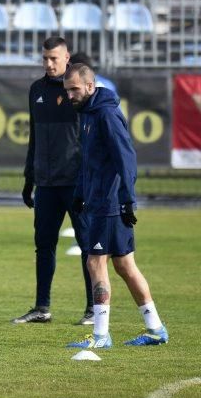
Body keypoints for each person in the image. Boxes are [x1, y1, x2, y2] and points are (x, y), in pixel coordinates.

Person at [64, 64, 168, 348]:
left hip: (109, 204)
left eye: (75, 89)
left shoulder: (106, 114)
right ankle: (156, 328)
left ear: (89, 86)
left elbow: (126, 158)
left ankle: (100, 336)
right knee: (124, 265)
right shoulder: (87, 114)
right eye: (67, 90)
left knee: (95, 262)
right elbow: (90, 162)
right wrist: (79, 192)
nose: (70, 95)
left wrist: (127, 199)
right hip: (100, 200)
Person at [15, 36, 94, 326]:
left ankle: (93, 309)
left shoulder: (80, 90)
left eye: (54, 59)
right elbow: (34, 136)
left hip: (76, 182)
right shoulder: (36, 89)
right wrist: (29, 177)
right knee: (44, 245)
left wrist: (89, 179)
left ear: (67, 58)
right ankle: (42, 307)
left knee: (89, 246)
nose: (49, 64)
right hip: (46, 183)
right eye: (45, 58)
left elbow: (90, 138)